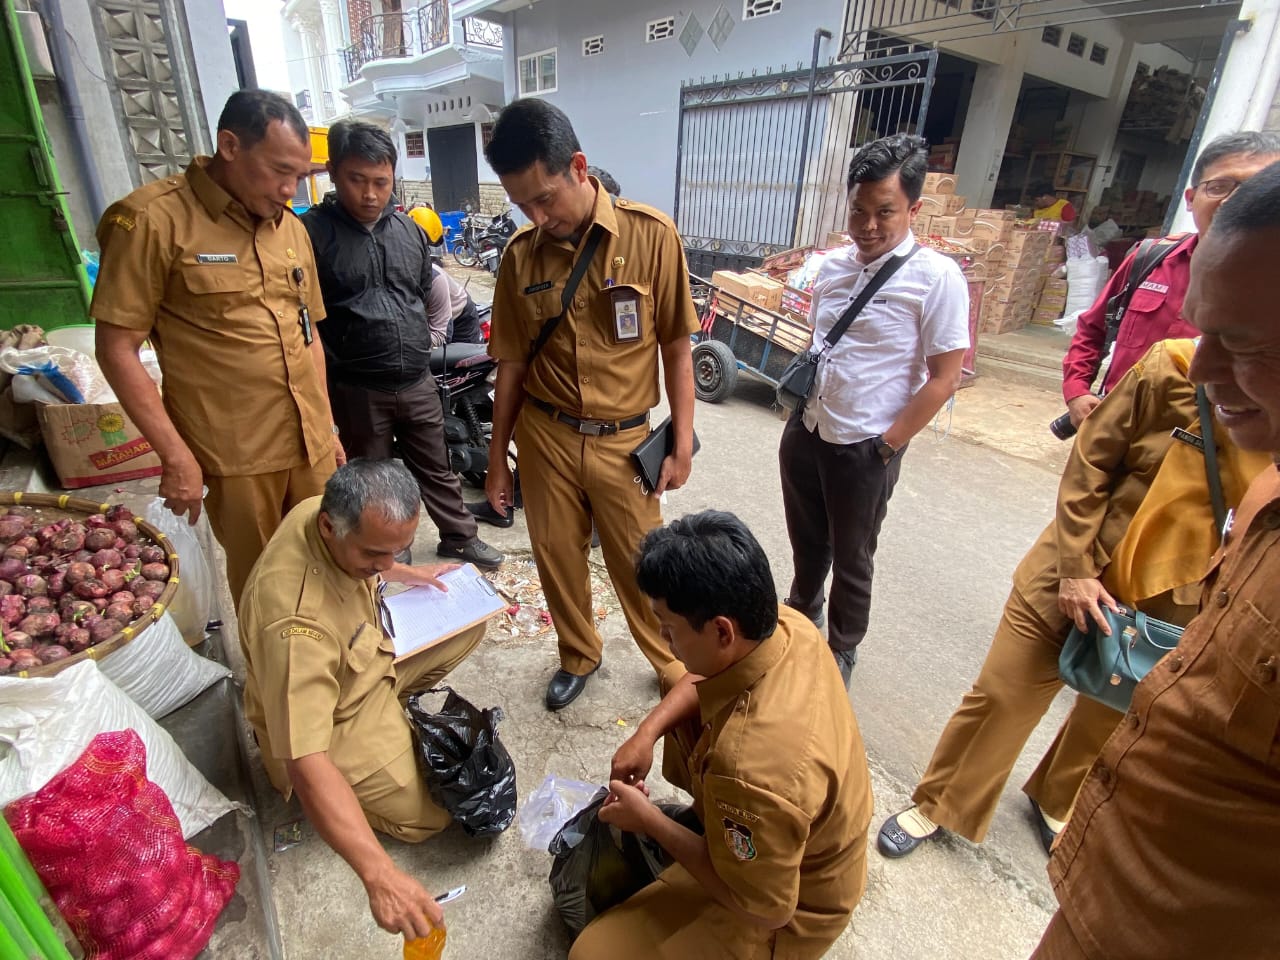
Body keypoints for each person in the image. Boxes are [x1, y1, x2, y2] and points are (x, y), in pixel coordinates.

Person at [876, 336, 1269, 860]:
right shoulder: (1172, 367)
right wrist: (1077, 569)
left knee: (1108, 711)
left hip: (1177, 599)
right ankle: (940, 803)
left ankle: (1056, 799)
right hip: (1073, 564)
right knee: (1002, 694)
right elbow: (1093, 458)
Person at [1030, 159, 1280, 960]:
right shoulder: (1268, 487)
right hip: (1103, 895)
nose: (1201, 369)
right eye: (1204, 332)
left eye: (1239, 344)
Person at [569, 511, 873, 960]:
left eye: (669, 627)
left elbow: (767, 908)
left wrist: (652, 821)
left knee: (590, 954)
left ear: (722, 630)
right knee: (678, 678)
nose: (661, 635)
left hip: (792, 907)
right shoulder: (789, 625)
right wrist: (647, 732)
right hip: (790, 836)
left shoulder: (750, 770)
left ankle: (727, 844)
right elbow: (697, 677)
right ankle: (722, 830)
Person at [482, 98, 699, 710]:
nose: (537, 215)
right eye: (522, 204)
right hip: (546, 436)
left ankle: (672, 665)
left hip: (626, 442)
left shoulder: (651, 235)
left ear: (578, 167)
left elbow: (679, 349)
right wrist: (499, 459)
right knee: (556, 556)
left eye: (545, 198)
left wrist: (681, 441)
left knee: (643, 564)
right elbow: (513, 367)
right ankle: (579, 653)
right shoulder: (520, 256)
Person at [92, 90, 343, 609]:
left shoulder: (290, 226)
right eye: (279, 171)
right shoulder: (152, 222)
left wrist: (328, 429)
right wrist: (176, 456)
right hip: (238, 454)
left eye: (298, 175)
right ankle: (278, 690)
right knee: (266, 587)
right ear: (229, 146)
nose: (289, 188)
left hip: (311, 443)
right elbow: (117, 349)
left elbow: (308, 334)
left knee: (335, 567)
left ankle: (341, 679)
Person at [239, 459, 487, 944]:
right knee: (434, 816)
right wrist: (379, 876)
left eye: (395, 550)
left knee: (468, 618)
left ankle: (387, 728)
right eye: (375, 555)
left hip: (365, 660)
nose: (384, 565)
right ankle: (357, 780)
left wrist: (404, 571)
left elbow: (378, 558)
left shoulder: (322, 508)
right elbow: (304, 761)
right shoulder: (296, 627)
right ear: (331, 528)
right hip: (334, 720)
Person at [779, 133, 969, 684]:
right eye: (858, 211)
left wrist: (886, 446)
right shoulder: (834, 268)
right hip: (808, 429)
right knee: (806, 537)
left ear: (914, 208)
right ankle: (802, 612)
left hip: (865, 446)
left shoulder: (936, 279)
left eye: (884, 212)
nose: (867, 226)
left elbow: (945, 378)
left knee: (853, 555)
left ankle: (842, 646)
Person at [302, 120, 501, 570]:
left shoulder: (407, 230)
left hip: (415, 377)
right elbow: (308, 320)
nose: (370, 194)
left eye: (381, 182)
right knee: (373, 478)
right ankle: (389, 552)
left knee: (437, 465)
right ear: (333, 173)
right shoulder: (312, 234)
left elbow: (423, 292)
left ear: (393, 177)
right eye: (357, 180)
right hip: (357, 385)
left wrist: (427, 340)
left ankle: (459, 536)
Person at [1061, 130, 1280, 429]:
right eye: (1220, 187)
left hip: (1210, 442)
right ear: (1190, 199)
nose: (1233, 202)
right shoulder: (1150, 257)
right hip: (1116, 425)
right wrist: (1077, 391)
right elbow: (1093, 327)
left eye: (1253, 190)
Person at [426, 262, 485, 345]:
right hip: (432, 318)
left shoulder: (434, 278)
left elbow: (439, 334)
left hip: (461, 317)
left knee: (468, 355)